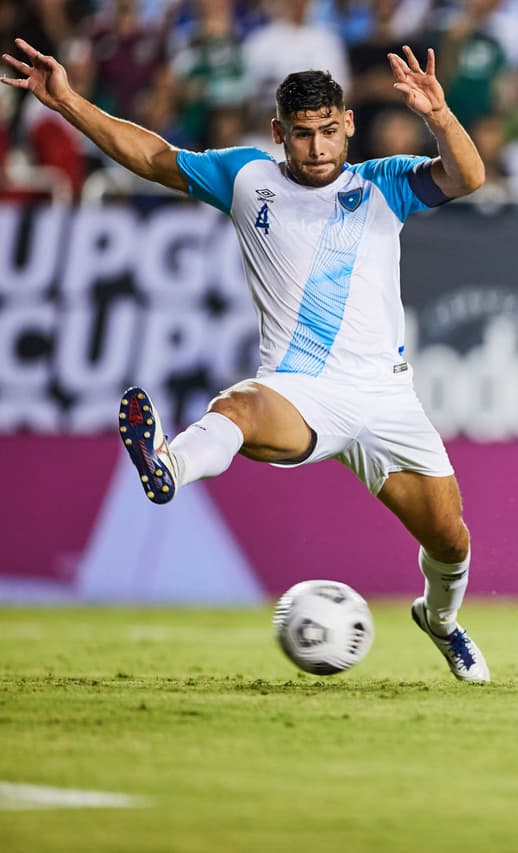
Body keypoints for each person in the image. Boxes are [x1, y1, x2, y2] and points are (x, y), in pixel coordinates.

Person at [2, 38, 492, 683]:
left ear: (347, 125)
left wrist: (439, 115)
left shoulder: (382, 184)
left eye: (326, 132)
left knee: (451, 540)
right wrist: (66, 101)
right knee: (241, 405)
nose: (316, 148)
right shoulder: (246, 176)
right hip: (298, 389)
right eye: (300, 135)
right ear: (278, 133)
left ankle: (441, 621)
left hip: (385, 395)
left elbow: (468, 177)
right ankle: (169, 464)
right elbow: (152, 157)